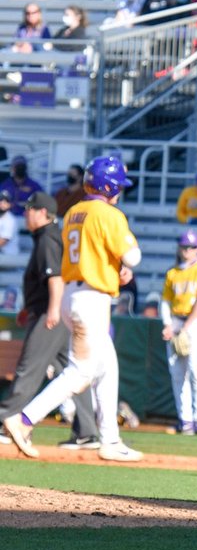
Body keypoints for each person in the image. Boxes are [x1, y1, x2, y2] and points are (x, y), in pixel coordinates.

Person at [3, 156, 143, 463]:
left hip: (73, 293)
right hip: (91, 298)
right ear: (109, 186)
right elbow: (133, 256)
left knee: (107, 367)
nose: (120, 191)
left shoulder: (74, 211)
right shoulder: (109, 213)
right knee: (80, 371)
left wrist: (113, 266)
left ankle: (110, 440)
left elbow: (92, 252)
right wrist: (122, 264)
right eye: (118, 186)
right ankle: (24, 419)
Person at [0, 193, 99, 450]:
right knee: (74, 371)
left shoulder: (48, 238)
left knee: (29, 368)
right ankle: (87, 431)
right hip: (53, 311)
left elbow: (55, 278)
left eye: (30, 209)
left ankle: (5, 422)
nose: (26, 213)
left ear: (43, 212)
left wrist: (53, 310)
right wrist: (28, 308)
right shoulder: (48, 236)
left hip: (50, 314)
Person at [160, 228, 197, 437]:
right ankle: (184, 420)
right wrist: (168, 324)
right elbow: (165, 301)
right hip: (177, 320)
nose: (187, 250)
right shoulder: (173, 273)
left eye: (191, 247)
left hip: (196, 323)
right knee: (177, 374)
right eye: (184, 246)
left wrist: (184, 327)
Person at [0, 191, 17, 257]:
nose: (2, 203)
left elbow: (2, 241)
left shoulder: (10, 220)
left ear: (10, 204)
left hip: (9, 256)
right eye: (0, 200)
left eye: (6, 201)